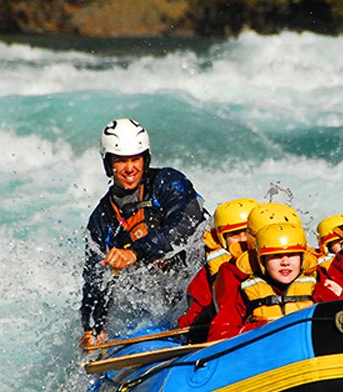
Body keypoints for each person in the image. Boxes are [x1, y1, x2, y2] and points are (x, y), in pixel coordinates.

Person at [80, 118, 206, 349]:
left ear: (145, 159)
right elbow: (94, 282)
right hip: (158, 304)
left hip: (198, 283)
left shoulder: (168, 182)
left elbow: (186, 224)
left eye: (135, 159)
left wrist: (136, 253)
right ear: (109, 164)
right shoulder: (101, 220)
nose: (130, 168)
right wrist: (92, 328)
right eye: (121, 161)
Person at [208, 223, 317, 341]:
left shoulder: (317, 286)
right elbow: (218, 335)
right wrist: (260, 328)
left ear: (302, 259)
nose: (285, 262)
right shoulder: (245, 292)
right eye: (276, 256)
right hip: (266, 352)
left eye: (292, 255)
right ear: (262, 261)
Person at [177, 197, 258, 342]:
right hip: (228, 332)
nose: (243, 240)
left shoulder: (282, 262)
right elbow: (193, 315)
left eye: (247, 232)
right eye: (234, 234)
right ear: (221, 240)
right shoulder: (211, 273)